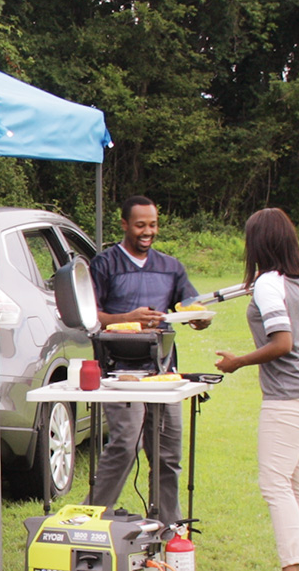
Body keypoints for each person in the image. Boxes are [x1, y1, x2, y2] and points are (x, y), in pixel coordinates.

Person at [214, 208, 299, 571]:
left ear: (257, 244)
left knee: (275, 484)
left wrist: (238, 362)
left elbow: (282, 343)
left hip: (291, 397)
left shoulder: (269, 284)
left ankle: (293, 566)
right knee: (298, 481)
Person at [88, 195, 211, 526]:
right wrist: (128, 317)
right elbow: (89, 316)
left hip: (163, 373)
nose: (148, 232)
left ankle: (169, 527)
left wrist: (200, 317)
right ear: (125, 224)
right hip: (118, 374)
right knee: (124, 445)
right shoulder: (104, 264)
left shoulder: (171, 267)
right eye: (141, 225)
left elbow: (190, 305)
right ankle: (93, 517)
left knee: (168, 454)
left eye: (153, 225)